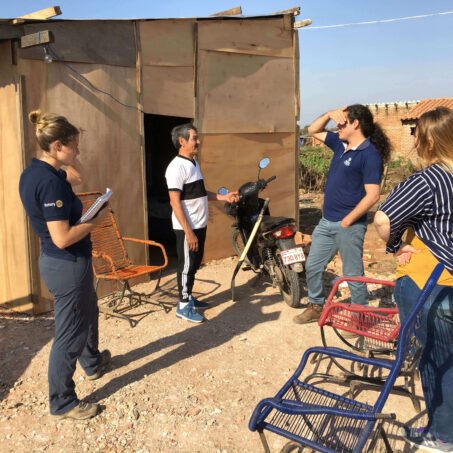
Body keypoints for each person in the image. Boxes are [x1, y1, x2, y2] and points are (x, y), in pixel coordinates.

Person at [19, 111, 111, 420]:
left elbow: (80, 176)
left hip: (61, 263)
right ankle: (62, 401)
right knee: (70, 333)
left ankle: (92, 362)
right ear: (58, 145)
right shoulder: (51, 183)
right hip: (66, 263)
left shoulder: (36, 172)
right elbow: (62, 238)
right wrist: (95, 221)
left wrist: (66, 158)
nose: (79, 152)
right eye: (74, 146)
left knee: (88, 311)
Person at [374, 107, 453, 452]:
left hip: (430, 284)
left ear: (431, 141)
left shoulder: (428, 180)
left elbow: (383, 217)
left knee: (436, 360)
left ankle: (443, 434)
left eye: (417, 134)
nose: (414, 140)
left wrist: (395, 245)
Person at [294, 104, 390, 324]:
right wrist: (328, 114)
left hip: (349, 225)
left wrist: (348, 220)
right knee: (313, 265)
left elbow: (373, 195)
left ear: (355, 124)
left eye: (342, 122)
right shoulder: (340, 143)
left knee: (353, 274)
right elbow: (313, 131)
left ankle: (360, 316)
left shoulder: (369, 155)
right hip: (327, 222)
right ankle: (316, 306)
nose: (337, 126)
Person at [165, 123, 240, 323]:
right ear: (182, 141)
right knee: (186, 266)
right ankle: (183, 305)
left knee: (195, 263)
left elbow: (199, 193)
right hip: (187, 227)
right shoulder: (176, 167)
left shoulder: (193, 164)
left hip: (199, 224)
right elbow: (174, 201)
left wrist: (223, 197)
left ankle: (188, 297)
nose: (198, 142)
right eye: (194, 138)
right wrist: (188, 232)